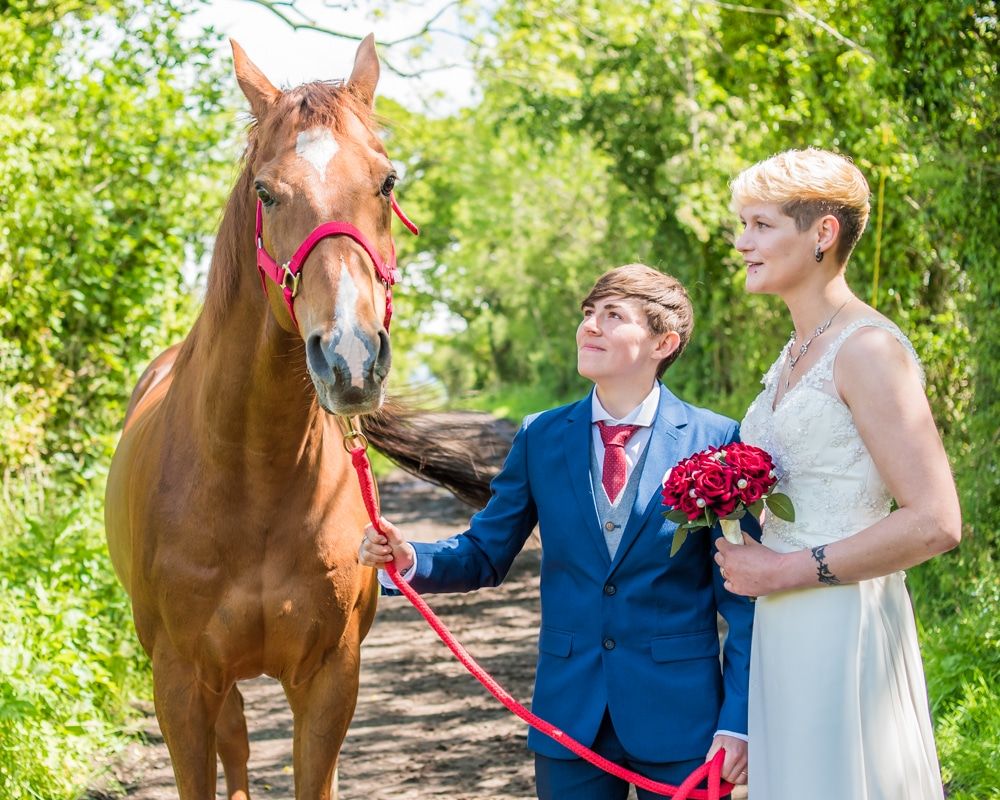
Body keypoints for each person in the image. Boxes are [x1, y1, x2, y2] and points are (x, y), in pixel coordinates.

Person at [359, 264, 755, 799]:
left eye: (612, 315)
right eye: (588, 313)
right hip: (569, 717)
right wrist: (410, 558)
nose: (589, 325)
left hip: (683, 719)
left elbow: (746, 601)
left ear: (664, 341)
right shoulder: (541, 436)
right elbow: (484, 552)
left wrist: (738, 722)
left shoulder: (716, 442)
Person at [718, 147, 961, 799]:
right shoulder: (796, 352)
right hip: (784, 623)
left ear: (822, 232)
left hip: (840, 620)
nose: (742, 243)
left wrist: (784, 571)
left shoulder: (868, 350)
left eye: (761, 225)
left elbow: (936, 522)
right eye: (743, 225)